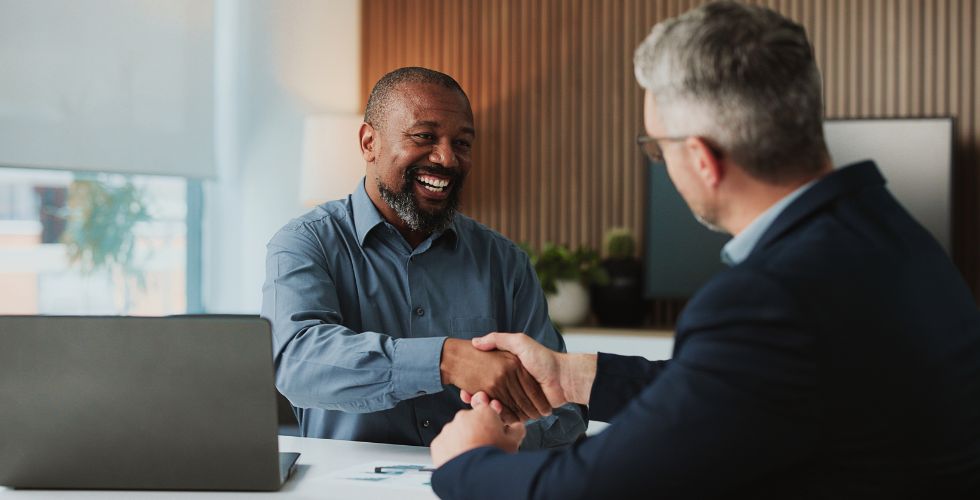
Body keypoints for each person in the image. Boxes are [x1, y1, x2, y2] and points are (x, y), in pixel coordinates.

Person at [428, 2, 980, 498]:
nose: (660, 163)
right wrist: (570, 377)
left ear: (701, 158)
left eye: (656, 148)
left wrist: (469, 462)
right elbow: (733, 386)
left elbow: (597, 489)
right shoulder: (891, 234)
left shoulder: (770, 297)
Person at [261, 67, 586, 448]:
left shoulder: (504, 261)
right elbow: (297, 364)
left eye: (462, 143)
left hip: (476, 481)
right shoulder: (305, 243)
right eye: (424, 136)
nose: (447, 158)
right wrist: (445, 360)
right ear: (369, 143)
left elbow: (563, 411)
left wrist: (505, 436)